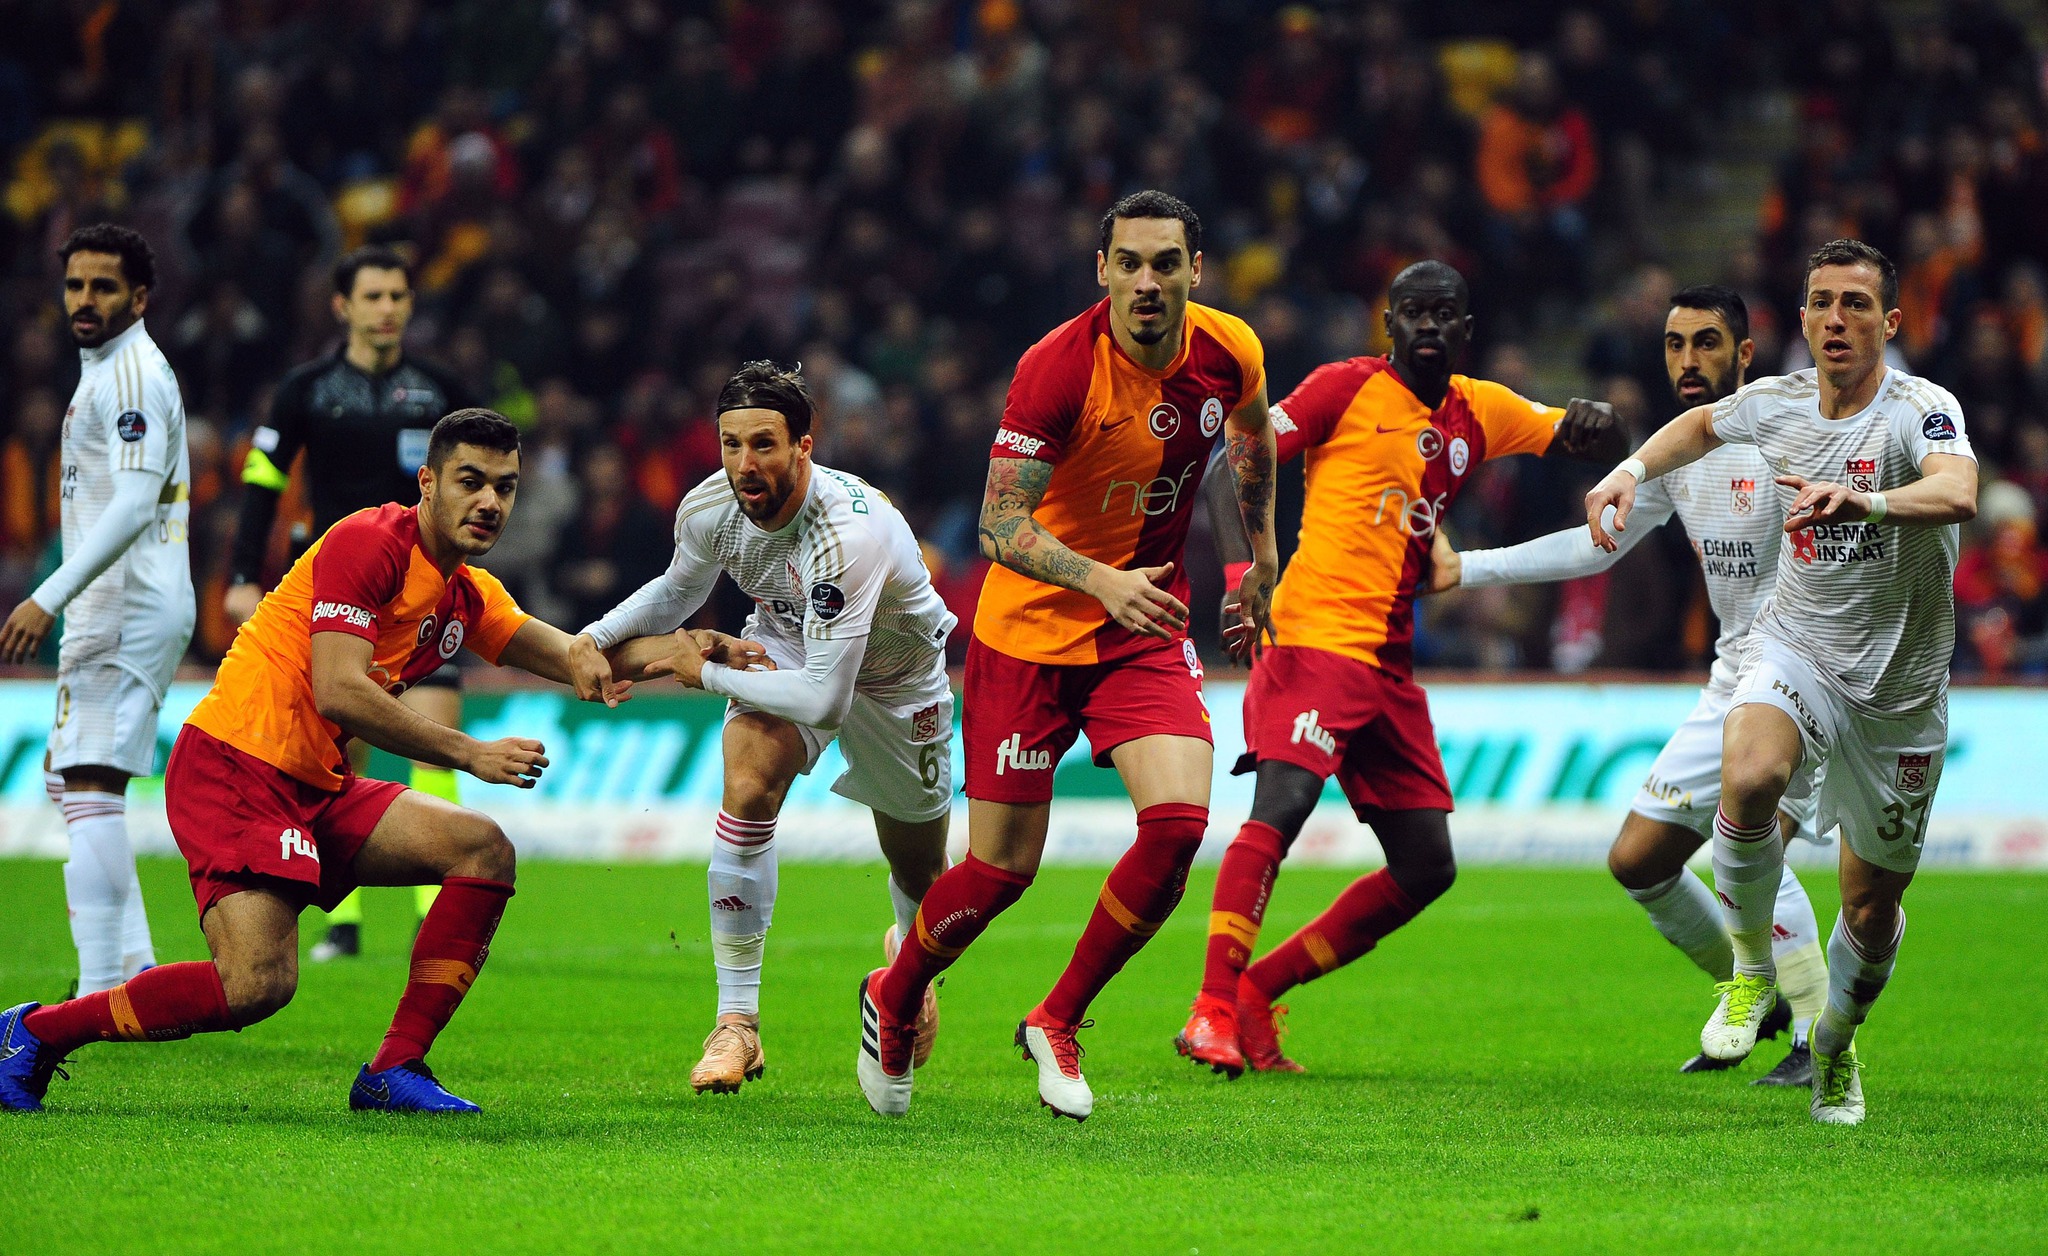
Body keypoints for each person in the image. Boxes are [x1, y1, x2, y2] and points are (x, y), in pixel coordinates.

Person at [2, 409, 639, 1114]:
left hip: (315, 782)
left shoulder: (466, 593)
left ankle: (394, 1070)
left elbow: (580, 656)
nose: (490, 502)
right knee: (255, 985)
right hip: (236, 763)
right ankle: (33, 1032)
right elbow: (340, 691)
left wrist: (684, 653)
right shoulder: (370, 542)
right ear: (428, 483)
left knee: (482, 850)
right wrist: (468, 752)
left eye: (505, 487)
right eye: (471, 481)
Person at [857, 190, 1281, 1120]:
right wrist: (1101, 581)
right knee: (1002, 872)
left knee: (1178, 827)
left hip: (1141, 629)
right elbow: (998, 526)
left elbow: (1253, 438)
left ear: (1195, 271)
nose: (1146, 282)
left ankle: (1057, 1018)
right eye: (1128, 263)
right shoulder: (1057, 368)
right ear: (1102, 271)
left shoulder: (1230, 349)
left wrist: (1257, 561)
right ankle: (896, 990)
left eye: (1164, 263)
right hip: (1029, 637)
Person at [1175, 260, 1623, 1077]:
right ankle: (1212, 1006)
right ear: (1389, 325)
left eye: (1443, 313)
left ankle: (1259, 989)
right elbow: (1229, 462)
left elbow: (1588, 439)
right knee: (1284, 804)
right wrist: (1244, 577)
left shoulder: (1481, 411)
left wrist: (1605, 426)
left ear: (1465, 329)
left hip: (1388, 664)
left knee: (1426, 866)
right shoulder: (1344, 388)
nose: (1427, 326)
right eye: (1412, 312)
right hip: (1312, 637)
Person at [1583, 240, 1979, 1125]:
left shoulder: (1921, 410)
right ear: (1802, 318)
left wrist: (1868, 501)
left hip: (1902, 692)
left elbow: (1958, 492)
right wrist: (1629, 471)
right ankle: (1753, 974)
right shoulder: (1776, 401)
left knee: (1868, 908)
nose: (1836, 319)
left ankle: (1833, 1042)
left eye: (1856, 304)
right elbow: (1698, 428)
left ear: (1890, 322)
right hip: (1797, 647)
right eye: (1821, 303)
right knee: (1752, 775)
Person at [1428, 286, 1826, 1084]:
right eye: (1676, 345)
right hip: (1731, 679)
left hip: (1806, 676)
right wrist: (1466, 568)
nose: (1689, 360)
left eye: (1707, 343)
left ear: (1746, 355)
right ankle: (1756, 997)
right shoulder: (1672, 454)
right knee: (1639, 860)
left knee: (1747, 842)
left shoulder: (1793, 436)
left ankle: (1817, 1037)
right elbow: (1594, 544)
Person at [570, 362, 957, 1095]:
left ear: (804, 447)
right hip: (786, 647)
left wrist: (707, 673)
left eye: (764, 445)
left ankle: (910, 976)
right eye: (731, 444)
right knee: (747, 790)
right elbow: (678, 589)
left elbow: (825, 702)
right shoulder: (710, 507)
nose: (745, 464)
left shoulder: (846, 535)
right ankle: (736, 1024)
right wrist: (593, 637)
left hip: (897, 681)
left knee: (921, 875)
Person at [225, 245, 478, 960]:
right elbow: (263, 482)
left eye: (398, 295)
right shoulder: (306, 390)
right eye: (373, 296)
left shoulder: (441, 390)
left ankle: (435, 915)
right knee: (343, 754)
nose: (387, 308)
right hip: (341, 592)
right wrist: (242, 573)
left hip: (426, 590)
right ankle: (344, 919)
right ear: (343, 307)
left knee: (438, 736)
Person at [0, 225, 193, 1002]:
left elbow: (137, 503)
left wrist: (46, 595)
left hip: (125, 602)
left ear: (139, 297)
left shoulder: (132, 376)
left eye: (103, 287)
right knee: (68, 779)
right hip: (119, 602)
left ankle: (104, 991)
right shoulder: (111, 369)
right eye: (76, 285)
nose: (84, 300)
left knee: (88, 786)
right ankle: (133, 967)